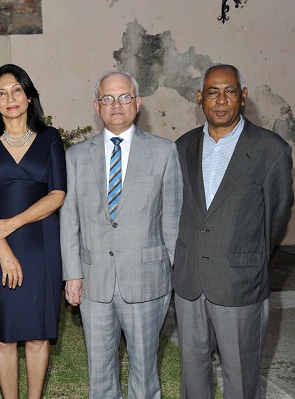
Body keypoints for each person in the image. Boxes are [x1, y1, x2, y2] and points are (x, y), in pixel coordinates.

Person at [174, 64, 293, 399]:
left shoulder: (271, 150)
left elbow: (276, 216)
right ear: (200, 98)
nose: (221, 99)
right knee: (193, 373)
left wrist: (248, 258)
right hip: (189, 282)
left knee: (241, 375)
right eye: (213, 91)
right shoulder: (181, 147)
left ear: (243, 97)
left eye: (230, 91)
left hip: (239, 282)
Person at [60, 71, 182, 399]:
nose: (117, 104)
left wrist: (178, 279)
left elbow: (172, 222)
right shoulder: (74, 157)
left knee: (145, 370)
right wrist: (72, 274)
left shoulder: (164, 152)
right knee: (99, 372)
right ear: (97, 106)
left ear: (138, 103)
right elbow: (69, 219)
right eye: (108, 98)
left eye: (124, 97)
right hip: (93, 282)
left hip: (147, 281)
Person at [0, 64, 67, 399]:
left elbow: (57, 195)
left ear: (28, 95)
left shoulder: (50, 138)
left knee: (38, 334)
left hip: (41, 243)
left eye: (17, 90)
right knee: (4, 335)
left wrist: (13, 223)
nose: (10, 98)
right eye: (1, 92)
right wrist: (3, 246)